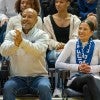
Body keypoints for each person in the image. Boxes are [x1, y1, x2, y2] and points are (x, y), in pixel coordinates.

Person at [0, 8, 51, 100]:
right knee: (8, 88)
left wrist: (21, 42)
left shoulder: (42, 35)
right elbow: (3, 51)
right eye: (24, 16)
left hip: (39, 78)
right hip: (17, 78)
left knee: (44, 87)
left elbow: (37, 50)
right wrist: (15, 44)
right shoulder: (12, 34)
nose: (26, 19)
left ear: (36, 21)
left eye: (30, 17)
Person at [43, 0, 81, 97]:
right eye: (56, 2)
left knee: (63, 57)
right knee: (57, 56)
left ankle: (58, 89)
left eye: (61, 2)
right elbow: (47, 39)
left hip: (70, 53)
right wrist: (57, 45)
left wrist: (65, 48)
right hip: (54, 52)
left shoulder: (75, 20)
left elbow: (76, 38)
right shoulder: (47, 20)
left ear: (68, 3)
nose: (58, 4)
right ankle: (62, 87)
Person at [55, 20, 100, 100]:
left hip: (94, 78)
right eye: (80, 28)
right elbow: (58, 63)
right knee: (89, 78)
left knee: (86, 88)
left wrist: (91, 69)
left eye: (85, 29)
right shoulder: (71, 43)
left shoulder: (98, 44)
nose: (81, 31)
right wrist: (77, 67)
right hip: (76, 79)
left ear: (91, 32)